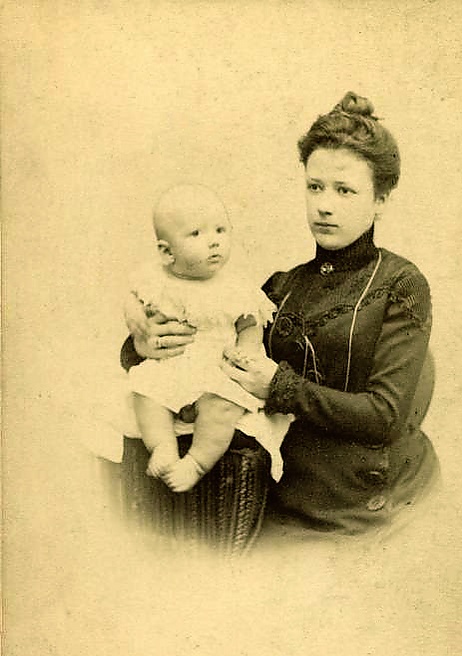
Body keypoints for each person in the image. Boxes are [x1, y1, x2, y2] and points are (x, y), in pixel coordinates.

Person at [123, 92, 439, 535]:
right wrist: (141, 344)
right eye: (315, 186)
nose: (324, 205)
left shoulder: (400, 284)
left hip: (364, 507)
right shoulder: (280, 287)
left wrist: (278, 387)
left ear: (381, 200)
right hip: (273, 496)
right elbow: (206, 351)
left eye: (345, 190)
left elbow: (385, 417)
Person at [126, 183, 284, 492]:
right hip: (173, 365)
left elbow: (250, 323)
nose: (214, 241)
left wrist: (246, 351)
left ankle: (196, 463)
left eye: (220, 230)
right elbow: (134, 298)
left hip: (218, 370)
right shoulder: (156, 278)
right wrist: (134, 318)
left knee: (221, 407)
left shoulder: (236, 286)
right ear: (167, 252)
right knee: (145, 392)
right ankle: (162, 446)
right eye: (196, 234)